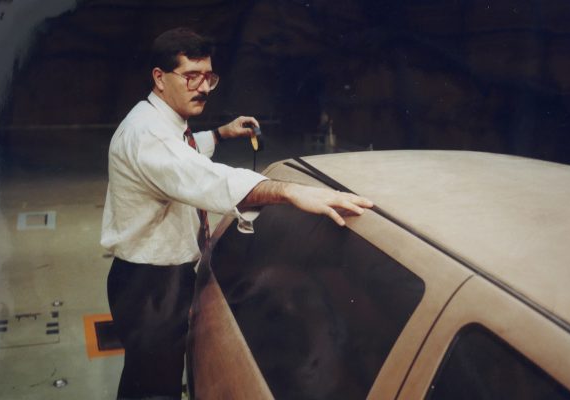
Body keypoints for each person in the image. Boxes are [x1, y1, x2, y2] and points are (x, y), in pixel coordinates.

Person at [100, 27, 372, 399]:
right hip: (151, 285)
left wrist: (220, 134)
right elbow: (205, 178)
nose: (203, 88)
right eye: (191, 77)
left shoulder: (158, 120)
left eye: (208, 77)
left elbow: (183, 152)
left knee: (143, 377)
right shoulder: (147, 136)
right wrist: (288, 191)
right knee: (156, 388)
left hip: (150, 278)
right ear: (160, 78)